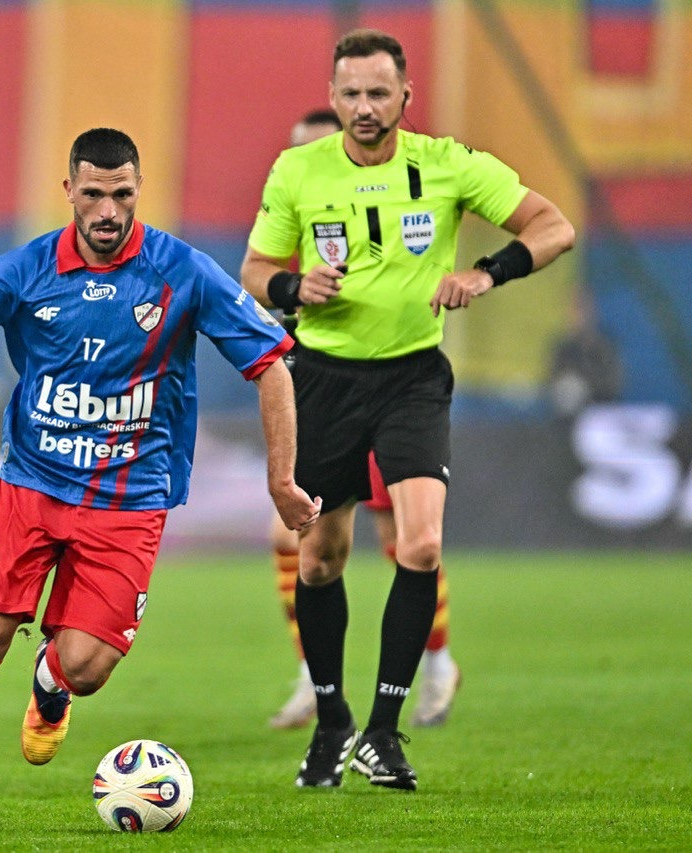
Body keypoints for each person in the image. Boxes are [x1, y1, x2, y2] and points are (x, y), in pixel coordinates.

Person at [0, 128, 320, 829]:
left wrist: (280, 480)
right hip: (32, 487)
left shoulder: (183, 271)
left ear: (139, 190)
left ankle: (51, 681)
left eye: (121, 194)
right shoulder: (28, 268)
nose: (108, 210)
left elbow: (271, 363)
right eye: (93, 194)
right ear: (69, 192)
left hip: (129, 501)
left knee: (85, 667)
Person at [241, 30, 574, 791]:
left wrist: (486, 274)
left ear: (405, 96)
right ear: (333, 97)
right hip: (322, 378)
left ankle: (384, 733)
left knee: (420, 546)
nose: (365, 107)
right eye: (351, 93)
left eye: (379, 93)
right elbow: (255, 268)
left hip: (412, 378)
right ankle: (332, 720)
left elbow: (554, 227)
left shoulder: (447, 164)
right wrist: (294, 288)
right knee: (319, 558)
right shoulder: (298, 170)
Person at [265, 109, 461, 732]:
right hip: (319, 390)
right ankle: (313, 675)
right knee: (294, 538)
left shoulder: (378, 210)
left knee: (402, 535)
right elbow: (264, 288)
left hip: (386, 385)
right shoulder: (291, 211)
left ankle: (437, 662)